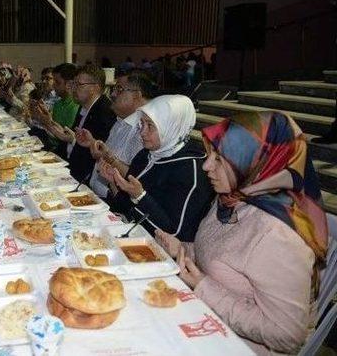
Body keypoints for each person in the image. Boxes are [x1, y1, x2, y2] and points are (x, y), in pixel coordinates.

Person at [156, 111, 328, 355]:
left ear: (256, 163)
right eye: (209, 155)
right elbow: (222, 256)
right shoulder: (232, 198)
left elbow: (287, 336)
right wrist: (183, 249)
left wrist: (203, 287)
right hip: (205, 321)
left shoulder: (277, 235)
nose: (206, 166)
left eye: (220, 159)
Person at [102, 94, 214, 241]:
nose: (142, 132)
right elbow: (124, 208)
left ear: (171, 127)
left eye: (150, 126)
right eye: (141, 124)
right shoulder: (146, 154)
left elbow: (175, 233)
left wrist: (140, 196)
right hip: (129, 236)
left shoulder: (191, 170)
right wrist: (114, 182)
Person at [75, 72, 153, 198]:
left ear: (137, 95)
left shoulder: (144, 129)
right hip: (97, 194)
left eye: (119, 89)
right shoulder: (120, 120)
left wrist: (108, 158)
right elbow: (110, 153)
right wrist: (92, 143)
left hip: (117, 202)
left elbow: (135, 177)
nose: (112, 94)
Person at [44, 64, 117, 181]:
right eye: (74, 84)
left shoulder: (104, 112)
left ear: (95, 88)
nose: (73, 88)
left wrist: (72, 140)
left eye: (79, 85)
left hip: (86, 178)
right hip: (71, 166)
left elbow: (94, 155)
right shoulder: (84, 106)